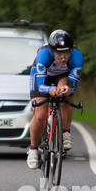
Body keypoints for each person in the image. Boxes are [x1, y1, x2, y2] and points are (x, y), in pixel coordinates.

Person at [27, 29, 84, 169]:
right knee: (40, 115)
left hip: (62, 76)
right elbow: (40, 86)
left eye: (66, 52)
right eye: (59, 53)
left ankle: (65, 132)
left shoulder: (77, 57)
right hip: (42, 77)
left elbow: (72, 85)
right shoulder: (43, 55)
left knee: (66, 95)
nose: (63, 57)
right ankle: (33, 149)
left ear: (71, 50)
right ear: (52, 51)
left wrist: (67, 89)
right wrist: (50, 90)